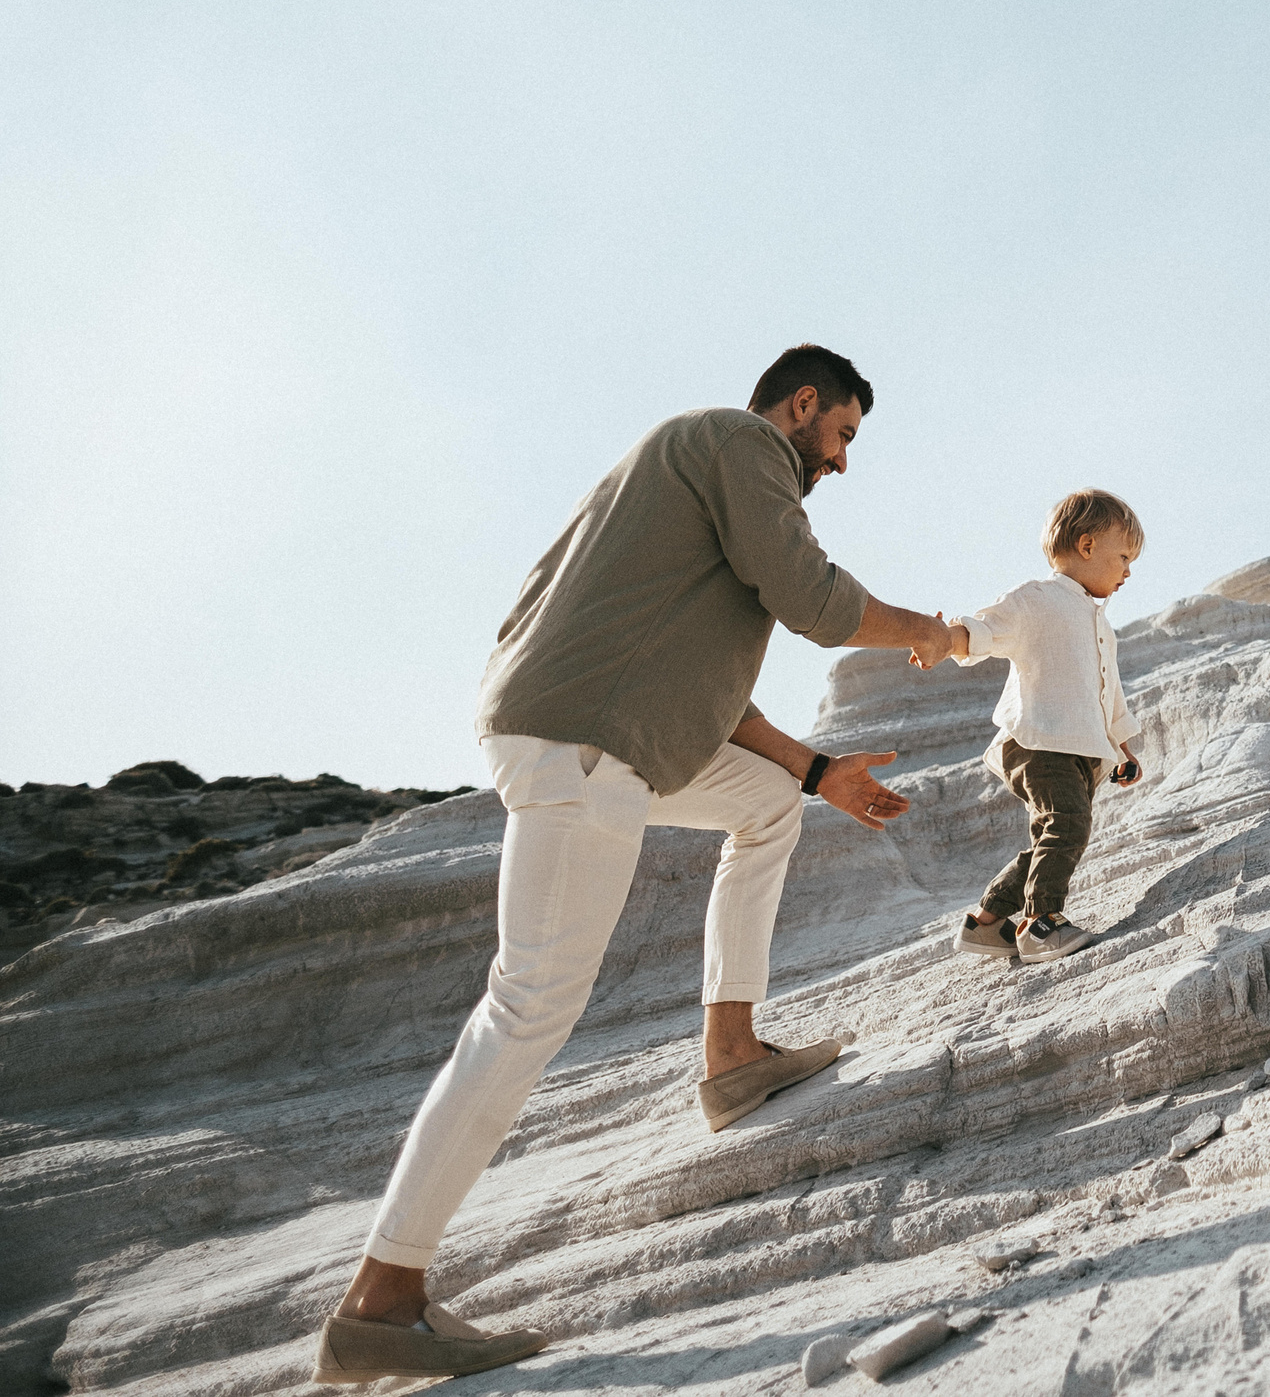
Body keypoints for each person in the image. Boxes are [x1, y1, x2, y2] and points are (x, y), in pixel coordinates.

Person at [312, 343, 959, 1386]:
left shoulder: (680, 477)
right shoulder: (740, 442)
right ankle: (383, 1300)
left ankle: (732, 1055)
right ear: (801, 405)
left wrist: (818, 770)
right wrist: (922, 631)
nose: (841, 462)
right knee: (525, 1008)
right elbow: (813, 600)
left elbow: (710, 696)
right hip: (589, 740)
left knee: (763, 808)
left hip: (603, 727)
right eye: (841, 434)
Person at [943, 490, 1145, 966]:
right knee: (1068, 825)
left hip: (1077, 749)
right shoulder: (1039, 599)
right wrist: (947, 640)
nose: (1128, 572)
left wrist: (1122, 747)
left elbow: (1108, 694)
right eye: (1124, 557)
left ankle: (987, 924)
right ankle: (1040, 924)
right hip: (1038, 742)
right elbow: (989, 627)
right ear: (1088, 545)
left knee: (1053, 836)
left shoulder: (1101, 626)